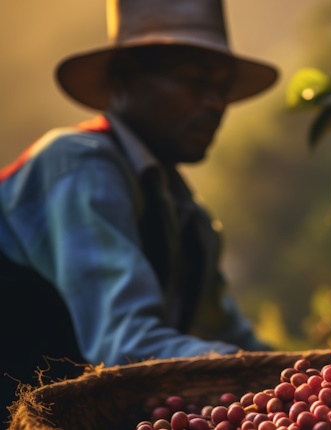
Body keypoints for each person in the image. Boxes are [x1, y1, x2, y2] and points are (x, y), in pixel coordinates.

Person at [0, 0, 278, 416]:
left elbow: (233, 337)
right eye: (193, 82)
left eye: (221, 88)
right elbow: (127, 343)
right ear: (124, 81)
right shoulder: (78, 164)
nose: (214, 103)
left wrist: (315, 373)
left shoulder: (189, 219)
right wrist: (271, 378)